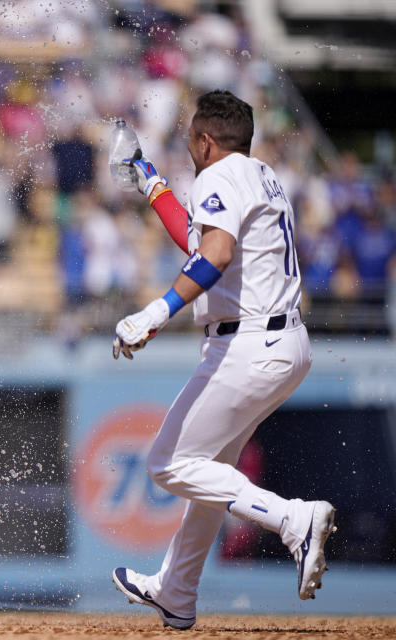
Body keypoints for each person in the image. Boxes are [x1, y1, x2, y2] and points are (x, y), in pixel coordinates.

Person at [109, 90, 336, 629]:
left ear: (206, 141)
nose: (189, 148)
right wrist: (152, 182)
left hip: (248, 345)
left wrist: (154, 313)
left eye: (191, 139)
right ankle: (175, 591)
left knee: (168, 465)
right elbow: (198, 238)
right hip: (282, 342)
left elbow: (214, 254)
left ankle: (291, 520)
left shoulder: (217, 176)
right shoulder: (261, 174)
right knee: (210, 473)